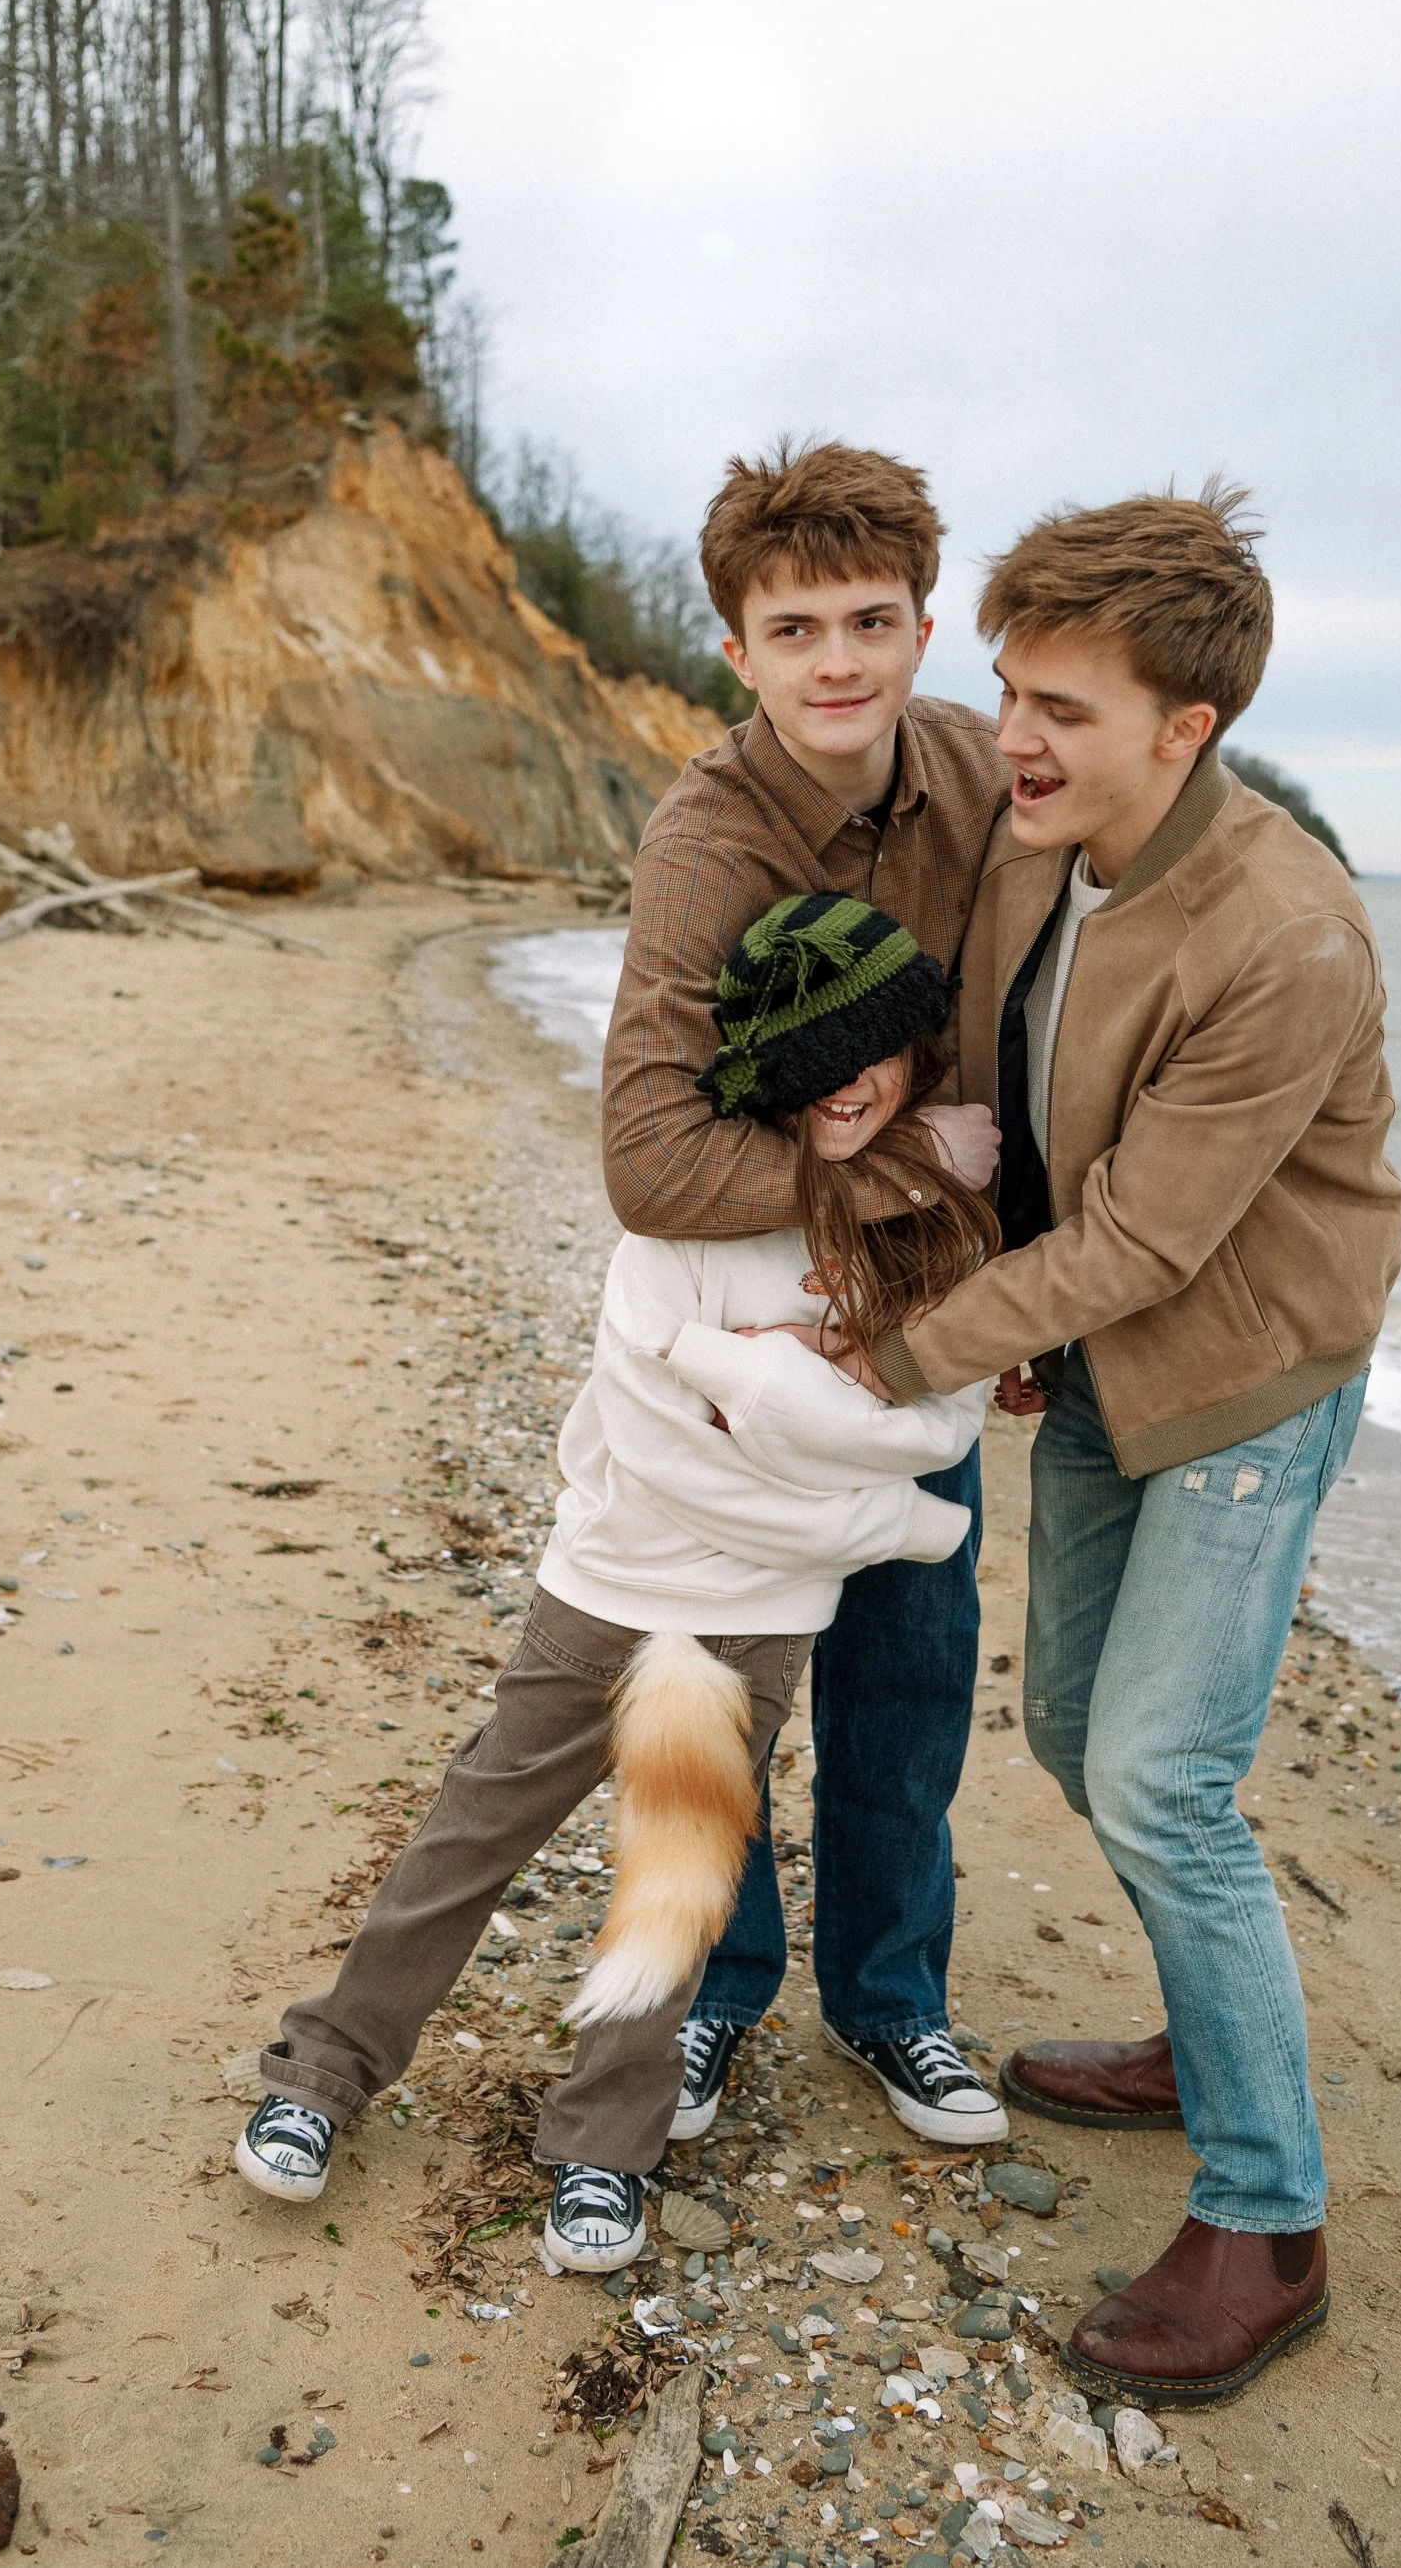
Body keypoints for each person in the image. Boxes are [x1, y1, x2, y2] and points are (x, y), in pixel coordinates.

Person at [800, 482, 1401, 2408]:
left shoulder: (1288, 927)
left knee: (1161, 1775)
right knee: (1078, 1732)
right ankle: (1203, 2037)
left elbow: (1153, 1235)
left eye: (1063, 704)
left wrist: (907, 1349)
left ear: (1188, 727)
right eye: (1008, 689)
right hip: (1091, 1362)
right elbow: (1007, 1076)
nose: (1016, 737)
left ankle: (1268, 2207)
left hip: (1243, 1376)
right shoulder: (1033, 835)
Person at [237, 894, 996, 2269]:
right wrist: (806, 1440)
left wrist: (761, 1396)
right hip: (613, 1581)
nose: (844, 1085)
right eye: (810, 1060)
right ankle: (323, 2070)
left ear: (915, 1054)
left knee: (675, 1870)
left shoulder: (914, 1237)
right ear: (762, 1073)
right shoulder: (681, 1223)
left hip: (763, 1618)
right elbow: (670, 1460)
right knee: (472, 1832)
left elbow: (937, 1433)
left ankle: (603, 2145)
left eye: (871, 1055)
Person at [605, 438, 1015, 2152]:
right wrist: (915, 1160)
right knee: (716, 1673)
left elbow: (1043, 1036)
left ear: (926, 625)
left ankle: (892, 2003)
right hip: (745, 1326)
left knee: (910, 1677)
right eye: (796, 629)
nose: (837, 661)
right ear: (739, 650)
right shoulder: (707, 841)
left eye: (871, 619)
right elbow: (644, 1155)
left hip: (929, 1329)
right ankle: (711, 1995)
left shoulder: (987, 781)